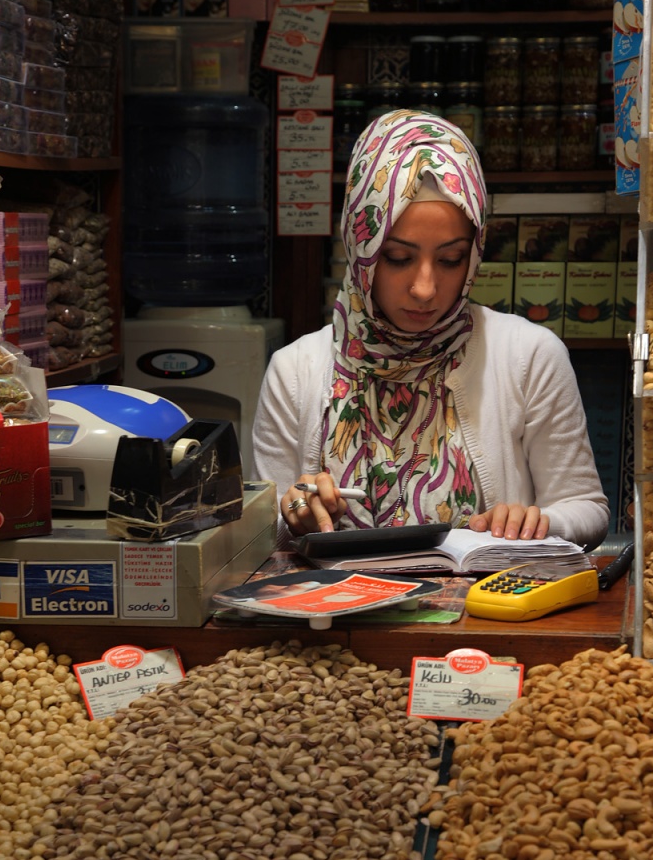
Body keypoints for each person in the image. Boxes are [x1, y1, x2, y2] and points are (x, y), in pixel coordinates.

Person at [252, 111, 610, 552]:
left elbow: (587, 508)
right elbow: (260, 533)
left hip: (489, 614)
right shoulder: (295, 371)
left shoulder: (527, 354)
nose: (425, 288)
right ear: (361, 251)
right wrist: (294, 518)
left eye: (451, 259)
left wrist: (538, 521)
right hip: (343, 619)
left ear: (475, 254)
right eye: (398, 258)